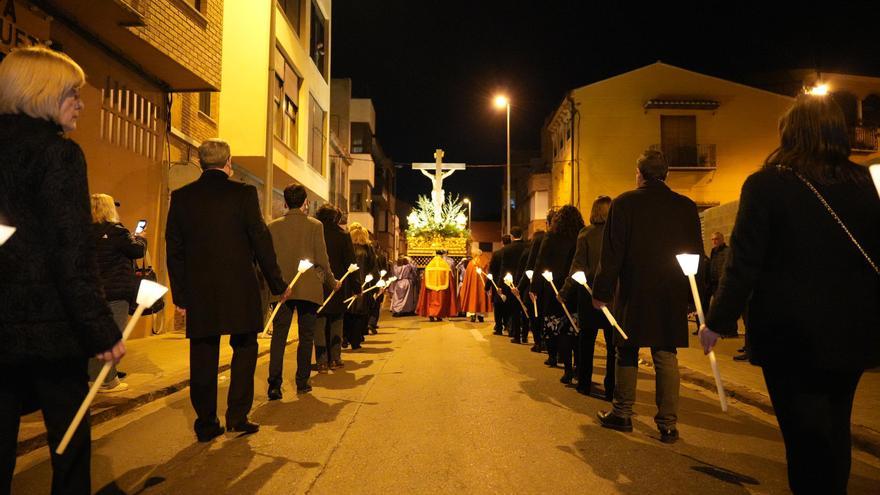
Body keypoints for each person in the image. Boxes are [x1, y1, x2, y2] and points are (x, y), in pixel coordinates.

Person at [701, 95, 880, 494]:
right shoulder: (864, 183)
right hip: (852, 329)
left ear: (791, 134)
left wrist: (717, 321)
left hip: (790, 333)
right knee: (836, 428)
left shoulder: (767, 185)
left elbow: (744, 261)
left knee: (803, 437)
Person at [0, 46, 124, 493]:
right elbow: (70, 250)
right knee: (68, 444)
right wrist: (102, 331)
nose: (81, 104)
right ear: (43, 92)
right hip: (50, 330)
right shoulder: (59, 155)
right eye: (73, 92)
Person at [166, 138, 289, 441]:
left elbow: (175, 249)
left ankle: (206, 423)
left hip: (200, 290)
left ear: (200, 163)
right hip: (239, 287)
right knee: (245, 348)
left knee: (203, 353)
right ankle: (237, 415)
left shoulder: (182, 197)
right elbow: (260, 240)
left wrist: (180, 295)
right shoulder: (244, 194)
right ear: (228, 163)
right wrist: (277, 284)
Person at [592, 149, 704, 444]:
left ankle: (623, 412)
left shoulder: (625, 203)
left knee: (626, 349)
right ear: (666, 175)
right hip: (671, 290)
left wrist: (601, 291)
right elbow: (696, 254)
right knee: (666, 354)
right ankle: (668, 424)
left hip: (634, 288)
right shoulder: (686, 206)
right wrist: (696, 298)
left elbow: (612, 253)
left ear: (639, 173)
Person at [267, 184, 336, 396]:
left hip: (281, 288)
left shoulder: (273, 226)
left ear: (285, 202)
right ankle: (302, 381)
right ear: (305, 202)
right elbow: (322, 259)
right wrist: (332, 283)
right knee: (306, 336)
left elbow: (268, 259)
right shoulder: (315, 226)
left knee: (279, 336)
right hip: (309, 287)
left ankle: (274, 384)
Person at [90, 193, 147, 393]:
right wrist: (140, 238)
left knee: (95, 335)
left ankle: (96, 375)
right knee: (113, 336)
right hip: (115, 292)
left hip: (93, 292)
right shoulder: (116, 232)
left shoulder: (83, 232)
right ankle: (108, 380)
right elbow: (137, 251)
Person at [560, 196, 615, 400]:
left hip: (589, 292)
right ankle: (611, 388)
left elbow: (578, 266)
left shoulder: (585, 234)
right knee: (612, 345)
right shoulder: (617, 233)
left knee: (586, 340)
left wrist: (565, 291)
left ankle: (584, 383)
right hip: (612, 295)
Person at [534, 205, 584, 382]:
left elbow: (540, 263)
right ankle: (579, 366)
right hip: (577, 287)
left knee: (561, 329)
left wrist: (534, 288)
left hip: (554, 287)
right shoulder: (581, 235)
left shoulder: (551, 237)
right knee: (576, 328)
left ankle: (568, 370)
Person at [315, 204, 356, 370]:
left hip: (317, 282)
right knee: (336, 321)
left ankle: (322, 359)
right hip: (338, 284)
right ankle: (336, 357)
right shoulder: (343, 235)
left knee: (319, 322)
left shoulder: (315, 231)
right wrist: (356, 285)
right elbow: (350, 262)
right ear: (335, 217)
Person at [519, 209, 555, 352]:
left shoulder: (541, 239)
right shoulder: (569, 237)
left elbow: (533, 264)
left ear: (548, 223)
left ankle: (540, 342)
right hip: (559, 283)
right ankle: (556, 349)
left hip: (541, 283)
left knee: (537, 313)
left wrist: (527, 287)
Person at [346, 223, 375, 349]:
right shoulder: (368, 249)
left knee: (347, 311)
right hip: (363, 282)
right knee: (359, 313)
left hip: (347, 283)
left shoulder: (348, 247)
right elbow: (373, 267)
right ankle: (355, 341)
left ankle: (345, 336)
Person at [501, 227, 530, 343]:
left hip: (512, 282)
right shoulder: (527, 247)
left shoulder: (507, 249)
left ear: (512, 236)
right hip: (525, 281)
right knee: (525, 308)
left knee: (515, 310)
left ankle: (517, 335)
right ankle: (525, 335)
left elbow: (504, 268)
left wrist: (501, 286)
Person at [417, 250, 460, 321]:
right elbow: (450, 277)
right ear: (442, 255)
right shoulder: (445, 264)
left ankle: (431, 314)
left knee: (431, 301)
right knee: (441, 301)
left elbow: (425, 276)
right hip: (442, 288)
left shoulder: (430, 264)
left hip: (431, 288)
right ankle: (439, 315)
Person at [459, 249, 492, 322]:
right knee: (481, 297)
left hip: (472, 287)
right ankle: (481, 316)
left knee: (472, 297)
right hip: (482, 286)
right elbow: (488, 274)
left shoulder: (471, 263)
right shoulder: (485, 262)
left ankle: (473, 315)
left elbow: (466, 276)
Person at [488, 235, 510, 334]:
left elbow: (491, 270)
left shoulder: (497, 254)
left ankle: (499, 327)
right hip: (510, 284)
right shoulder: (513, 252)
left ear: (502, 242)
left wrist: (487, 285)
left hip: (497, 284)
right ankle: (508, 325)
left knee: (498, 306)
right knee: (508, 305)